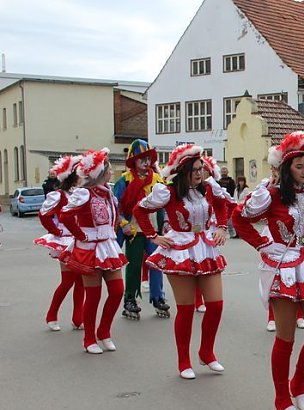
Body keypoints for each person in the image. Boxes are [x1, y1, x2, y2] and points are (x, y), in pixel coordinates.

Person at [232, 131, 304, 410]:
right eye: (299, 166)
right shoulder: (273, 195)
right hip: (283, 269)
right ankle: (281, 398)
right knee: (285, 337)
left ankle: (298, 384)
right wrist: (263, 245)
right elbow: (239, 218)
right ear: (287, 168)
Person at [133, 145, 231, 379]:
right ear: (183, 171)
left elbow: (222, 205)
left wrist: (221, 227)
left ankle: (206, 352)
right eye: (194, 170)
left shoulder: (209, 188)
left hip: (205, 247)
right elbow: (139, 210)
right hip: (179, 249)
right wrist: (153, 236)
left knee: (216, 305)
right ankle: (184, 361)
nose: (199, 174)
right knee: (185, 310)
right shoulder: (168, 192)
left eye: (201, 169)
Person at [58, 148, 128, 354]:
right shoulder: (84, 193)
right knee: (93, 295)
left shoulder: (108, 193)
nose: (111, 172)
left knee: (117, 291)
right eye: (108, 169)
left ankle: (104, 331)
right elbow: (65, 216)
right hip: (89, 248)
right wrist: (81, 235)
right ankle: (89, 339)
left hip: (108, 246)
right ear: (100, 173)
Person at [113, 139, 170, 319]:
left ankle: (158, 297)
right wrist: (123, 223)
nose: (146, 162)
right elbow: (115, 207)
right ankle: (130, 299)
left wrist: (166, 223)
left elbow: (166, 205)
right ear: (133, 161)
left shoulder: (157, 180)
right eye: (142, 159)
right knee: (134, 266)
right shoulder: (124, 181)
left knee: (156, 264)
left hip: (154, 231)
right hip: (134, 232)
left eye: (148, 159)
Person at [34, 155, 85, 331]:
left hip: (80, 238)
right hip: (66, 241)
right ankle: (51, 315)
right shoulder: (59, 195)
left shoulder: (81, 193)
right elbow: (43, 214)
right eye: (80, 174)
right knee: (68, 281)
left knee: (82, 281)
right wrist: (56, 231)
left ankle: (78, 318)